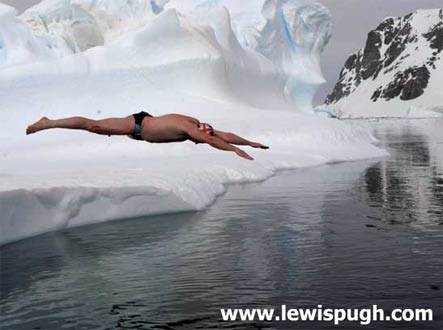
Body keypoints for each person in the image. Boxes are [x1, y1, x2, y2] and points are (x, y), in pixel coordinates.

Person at [26, 111, 269, 160]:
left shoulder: (198, 125)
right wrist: (235, 150)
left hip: (142, 128)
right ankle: (49, 123)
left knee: (95, 127)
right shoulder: (191, 128)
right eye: (199, 139)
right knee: (94, 126)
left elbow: (223, 134)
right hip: (137, 125)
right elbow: (214, 139)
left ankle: (51, 122)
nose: (198, 142)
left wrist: (251, 143)